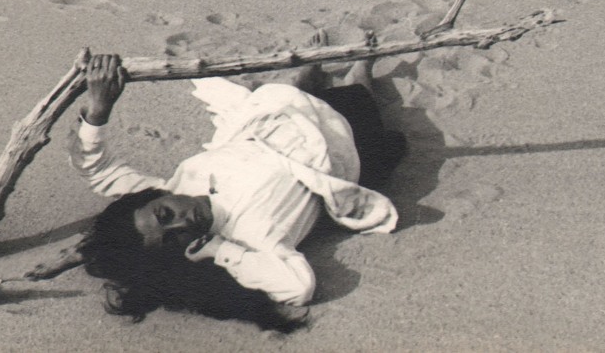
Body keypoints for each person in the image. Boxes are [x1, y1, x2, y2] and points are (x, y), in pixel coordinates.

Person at [70, 32, 406, 331]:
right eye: (173, 239)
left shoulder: (174, 185)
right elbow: (299, 287)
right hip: (331, 145)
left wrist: (99, 107)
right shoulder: (247, 239)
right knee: (361, 101)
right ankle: (361, 67)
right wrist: (221, 250)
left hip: (264, 120)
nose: (183, 222)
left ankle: (305, 75)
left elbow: (97, 170)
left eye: (165, 215)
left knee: (279, 97)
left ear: (155, 197)